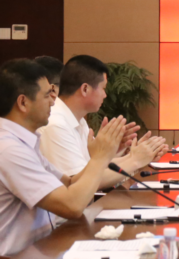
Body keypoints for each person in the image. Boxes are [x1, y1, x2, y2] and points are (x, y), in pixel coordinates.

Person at [0, 59, 126, 256]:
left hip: (43, 247)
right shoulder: (9, 149)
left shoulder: (24, 141)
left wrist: (102, 155)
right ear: (23, 102)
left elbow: (69, 182)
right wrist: (100, 158)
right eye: (47, 95)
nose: (53, 101)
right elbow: (72, 206)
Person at [39, 55, 167, 187]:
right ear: (85, 89)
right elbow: (82, 183)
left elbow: (96, 167)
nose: (105, 95)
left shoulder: (78, 120)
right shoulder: (56, 124)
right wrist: (135, 160)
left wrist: (136, 156)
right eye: (103, 88)